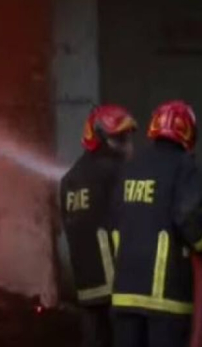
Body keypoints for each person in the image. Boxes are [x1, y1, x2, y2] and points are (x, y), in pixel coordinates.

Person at [111, 100, 202, 347]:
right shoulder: (184, 167)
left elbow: (114, 219)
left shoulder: (130, 167)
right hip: (166, 300)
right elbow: (191, 218)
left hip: (125, 295)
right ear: (188, 132)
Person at [59, 104, 137, 347]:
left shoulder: (69, 180)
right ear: (99, 139)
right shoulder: (115, 172)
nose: (127, 145)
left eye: (127, 138)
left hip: (87, 285)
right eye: (120, 139)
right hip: (118, 284)